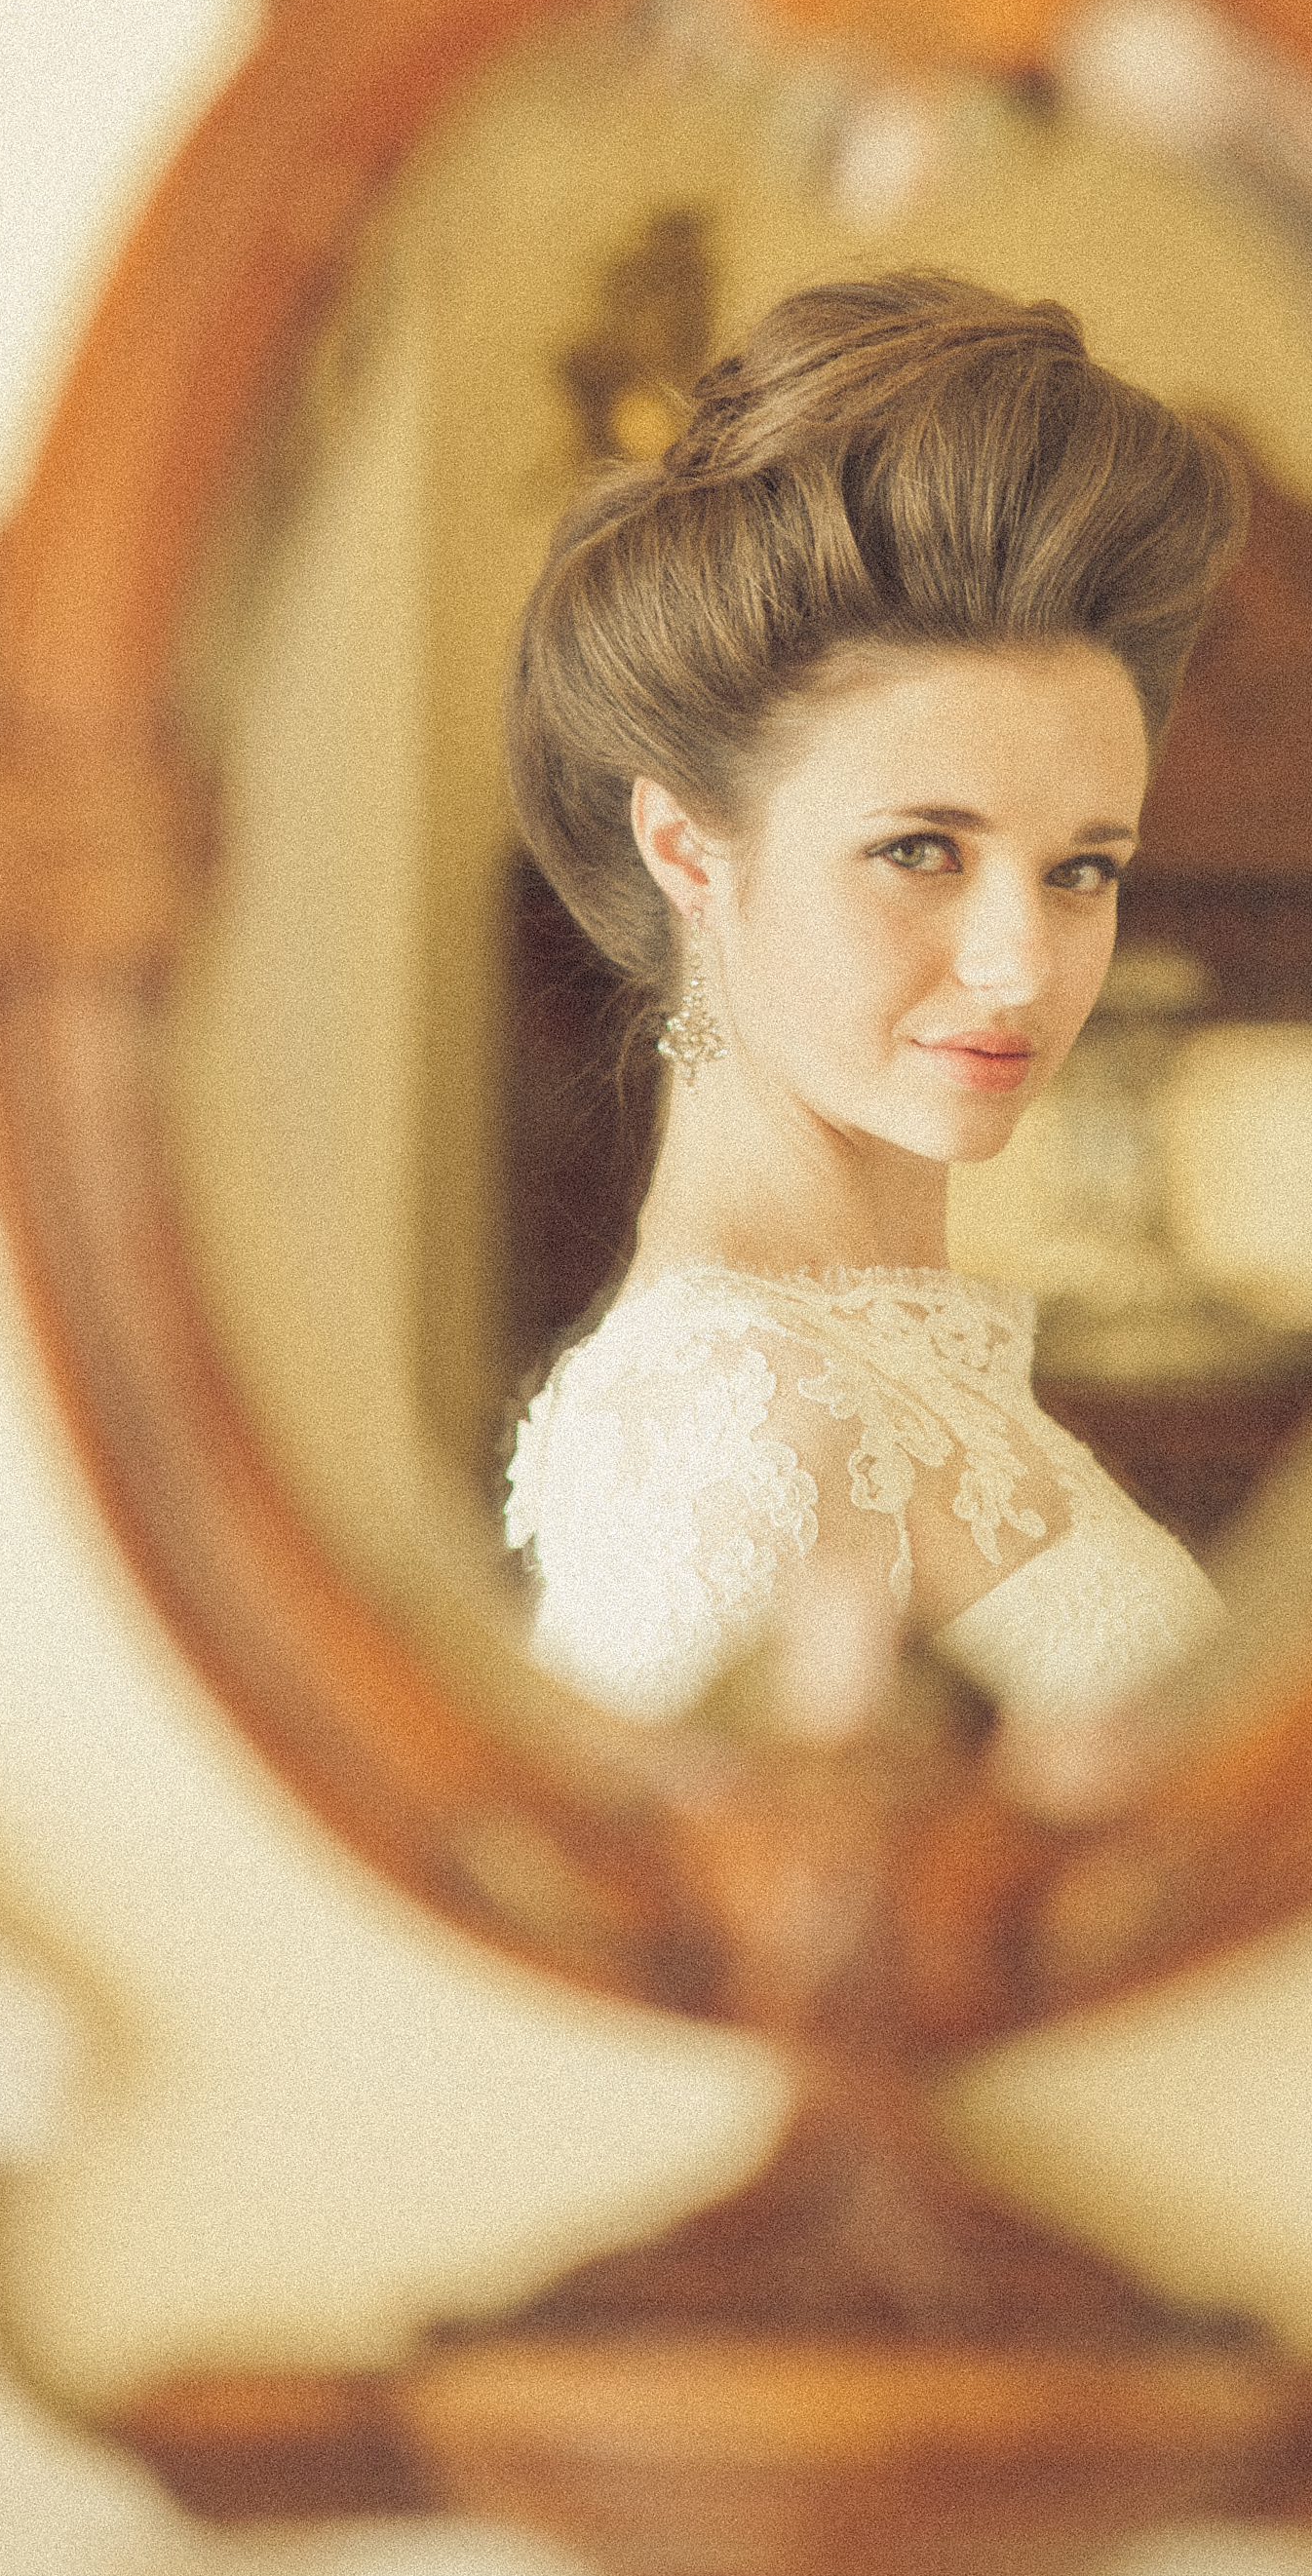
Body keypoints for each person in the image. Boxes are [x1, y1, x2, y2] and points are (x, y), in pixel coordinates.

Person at [500, 270, 1246, 1726]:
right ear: (684, 846)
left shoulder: (895, 1378)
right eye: (921, 850)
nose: (1020, 962)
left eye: (1083, 869)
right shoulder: (732, 1421)